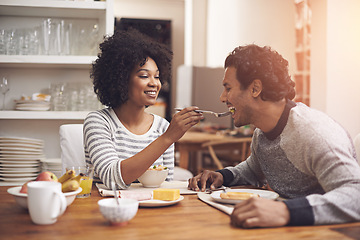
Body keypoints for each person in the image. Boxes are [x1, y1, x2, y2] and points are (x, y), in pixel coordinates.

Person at [188, 44, 360, 228]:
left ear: (255, 88)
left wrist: (286, 211)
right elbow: (254, 169)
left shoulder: (314, 133)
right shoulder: (261, 132)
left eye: (228, 88)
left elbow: (356, 195)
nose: (222, 97)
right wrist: (222, 176)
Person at [84, 29, 203, 190]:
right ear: (121, 79)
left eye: (157, 76)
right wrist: (168, 138)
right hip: (111, 209)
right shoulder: (99, 122)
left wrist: (168, 135)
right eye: (144, 76)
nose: (155, 83)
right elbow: (113, 179)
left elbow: (165, 186)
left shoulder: (162, 126)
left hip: (151, 209)